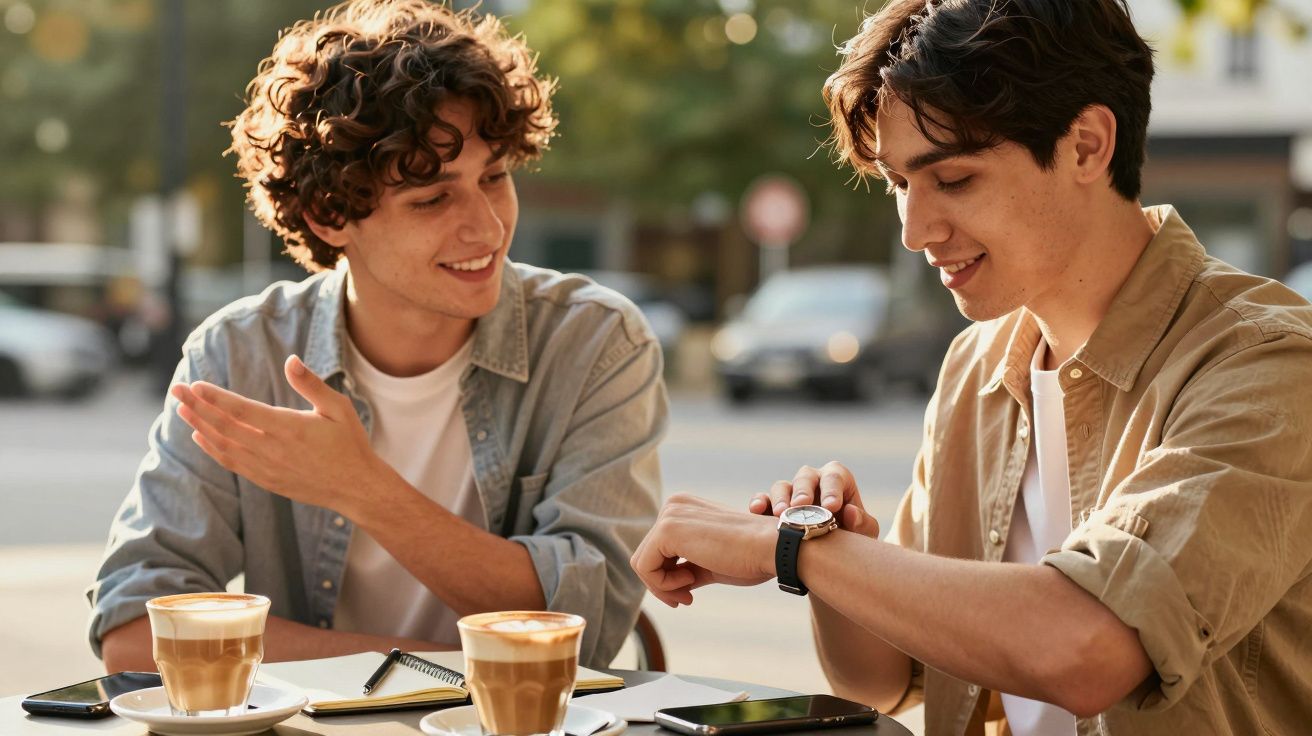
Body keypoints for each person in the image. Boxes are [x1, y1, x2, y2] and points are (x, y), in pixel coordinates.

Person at [631, 0, 1312, 733]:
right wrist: (832, 542)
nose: (915, 230)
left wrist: (793, 550)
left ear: (1087, 146)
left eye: (952, 179)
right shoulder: (978, 363)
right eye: (898, 183)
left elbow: (1089, 646)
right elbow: (885, 679)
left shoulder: (1265, 363)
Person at [89, 0, 667, 672]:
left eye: (493, 178)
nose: (488, 228)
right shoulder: (240, 356)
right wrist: (439, 669)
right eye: (433, 198)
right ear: (329, 213)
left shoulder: (596, 343)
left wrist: (362, 489)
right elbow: (133, 631)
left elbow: (589, 629)